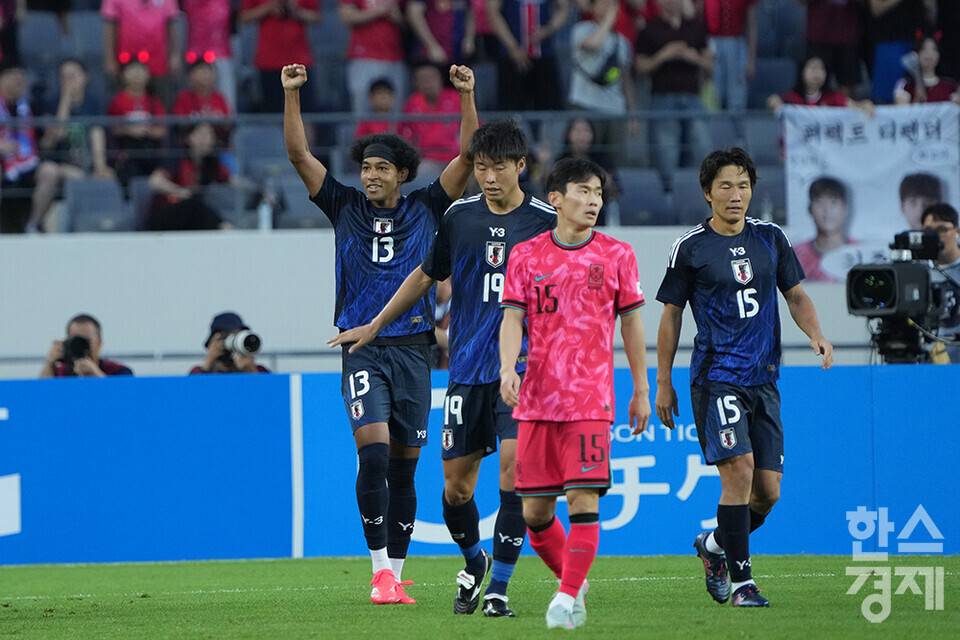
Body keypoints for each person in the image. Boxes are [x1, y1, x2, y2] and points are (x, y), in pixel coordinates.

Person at [328, 119, 556, 617]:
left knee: (513, 479)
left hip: (522, 372)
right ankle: (474, 561)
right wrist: (374, 324)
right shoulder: (458, 217)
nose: (488, 177)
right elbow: (424, 276)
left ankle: (497, 588)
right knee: (456, 491)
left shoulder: (546, 220)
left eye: (498, 168)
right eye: (481, 168)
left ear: (520, 166)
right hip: (466, 370)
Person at [284, 61, 478, 604]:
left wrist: (466, 96)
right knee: (371, 456)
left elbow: (467, 157)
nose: (369, 175)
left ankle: (395, 570)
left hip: (416, 353)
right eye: (365, 166)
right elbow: (300, 155)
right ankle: (378, 573)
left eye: (380, 168)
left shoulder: (427, 208)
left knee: (404, 470)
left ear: (401, 174)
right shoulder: (342, 205)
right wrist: (292, 95)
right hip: (361, 349)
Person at [655, 147, 833, 608]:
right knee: (739, 472)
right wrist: (662, 381)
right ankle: (742, 585)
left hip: (764, 379)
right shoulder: (690, 247)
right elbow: (671, 316)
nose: (736, 194)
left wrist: (816, 334)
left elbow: (795, 296)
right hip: (717, 379)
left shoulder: (771, 238)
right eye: (726, 185)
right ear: (707, 192)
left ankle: (713, 546)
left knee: (768, 491)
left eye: (744, 185)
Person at [498, 157, 650, 629]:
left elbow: (632, 324)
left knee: (583, 499)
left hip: (589, 399)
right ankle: (574, 581)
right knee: (535, 511)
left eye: (599, 193)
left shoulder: (617, 254)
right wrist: (507, 367)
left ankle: (564, 598)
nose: (594, 201)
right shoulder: (525, 254)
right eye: (584, 191)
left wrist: (642, 388)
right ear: (557, 199)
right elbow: (512, 318)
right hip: (537, 401)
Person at [634, 0, 713, 192]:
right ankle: (667, 197)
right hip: (663, 99)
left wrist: (692, 57)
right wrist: (664, 55)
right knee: (665, 153)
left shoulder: (695, 27)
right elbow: (640, 67)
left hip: (692, 98)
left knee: (701, 147)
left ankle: (700, 194)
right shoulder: (650, 29)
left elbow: (709, 63)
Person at [568, 0, 637, 158]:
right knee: (585, 162)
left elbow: (626, 81)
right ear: (593, 7)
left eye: (612, 4)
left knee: (612, 163)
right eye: (603, 3)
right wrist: (609, 19)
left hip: (614, 109)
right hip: (586, 105)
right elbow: (593, 44)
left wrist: (633, 116)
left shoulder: (622, 42)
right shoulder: (581, 30)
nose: (608, 7)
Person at [145, 122, 234, 231]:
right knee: (194, 204)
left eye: (209, 135)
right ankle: (223, 227)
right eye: (201, 135)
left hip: (192, 216)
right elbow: (155, 181)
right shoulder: (177, 158)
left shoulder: (211, 163)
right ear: (189, 137)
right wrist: (180, 191)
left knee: (207, 203)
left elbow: (230, 179)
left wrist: (253, 189)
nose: (205, 139)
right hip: (167, 212)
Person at [487, 0, 570, 112]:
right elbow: (493, 12)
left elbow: (564, 8)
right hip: (510, 57)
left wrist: (548, 29)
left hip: (543, 54)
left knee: (549, 109)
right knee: (511, 112)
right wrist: (512, 47)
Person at [241, 0, 322, 113]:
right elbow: (244, 17)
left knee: (305, 113)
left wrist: (296, 12)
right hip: (268, 61)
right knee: (272, 114)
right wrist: (268, 8)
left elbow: (316, 17)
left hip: (299, 60)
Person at [101, 0, 182, 107]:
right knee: (122, 105)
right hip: (127, 63)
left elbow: (171, 26)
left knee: (161, 105)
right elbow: (110, 28)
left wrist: (175, 56)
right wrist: (109, 60)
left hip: (158, 62)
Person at [338, 0, 407, 114]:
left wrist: (398, 18)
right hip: (364, 56)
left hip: (395, 56)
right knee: (363, 109)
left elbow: (409, 19)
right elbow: (346, 17)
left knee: (396, 110)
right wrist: (380, 11)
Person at [106, 60, 168, 187]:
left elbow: (162, 130)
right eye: (133, 70)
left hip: (150, 150)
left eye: (141, 70)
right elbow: (112, 130)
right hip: (127, 152)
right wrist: (129, 130)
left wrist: (147, 131)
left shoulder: (153, 100)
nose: (137, 74)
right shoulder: (117, 101)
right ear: (123, 75)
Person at [399, 64, 463, 176]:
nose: (428, 83)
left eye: (431, 78)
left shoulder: (457, 98)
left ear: (441, 79)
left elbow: (473, 127)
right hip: (427, 160)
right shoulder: (412, 103)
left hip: (457, 158)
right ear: (416, 83)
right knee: (419, 173)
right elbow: (405, 136)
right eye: (422, 79)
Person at [794, 177, 857, 283]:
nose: (827, 210)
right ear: (810, 209)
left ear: (845, 209)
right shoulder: (795, 256)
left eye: (833, 202)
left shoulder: (859, 252)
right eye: (820, 203)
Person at [766, 54, 874, 114]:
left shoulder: (833, 98)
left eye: (821, 69)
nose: (817, 73)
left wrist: (864, 105)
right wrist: (773, 102)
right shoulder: (791, 99)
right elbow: (773, 102)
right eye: (813, 68)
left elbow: (854, 106)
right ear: (802, 72)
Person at [800, 0, 864, 98]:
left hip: (848, 36)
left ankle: (845, 112)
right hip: (818, 36)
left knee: (847, 87)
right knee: (814, 86)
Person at [921, 203, 960, 363]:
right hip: (928, 365)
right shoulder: (917, 272)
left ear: (957, 231)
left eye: (942, 230)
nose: (937, 237)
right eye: (930, 231)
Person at [703, 0, 757, 113]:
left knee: (737, 97)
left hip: (736, 44)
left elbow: (751, 26)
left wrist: (751, 59)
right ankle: (714, 128)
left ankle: (736, 128)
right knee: (714, 97)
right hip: (712, 45)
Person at [40, 314, 133, 378]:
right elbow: (39, 395)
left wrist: (96, 374)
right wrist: (49, 364)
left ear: (99, 343)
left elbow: (124, 398)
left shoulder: (118, 371)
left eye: (86, 341)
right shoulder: (60, 373)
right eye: (75, 341)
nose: (81, 346)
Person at [190, 312, 270, 373]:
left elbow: (271, 391)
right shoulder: (198, 371)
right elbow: (191, 390)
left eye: (237, 335)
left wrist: (251, 371)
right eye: (225, 335)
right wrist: (207, 365)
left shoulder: (260, 371)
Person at [893, 33, 960, 105]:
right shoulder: (906, 85)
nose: (929, 53)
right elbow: (902, 112)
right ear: (917, 54)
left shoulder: (950, 86)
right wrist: (917, 99)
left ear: (938, 55)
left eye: (933, 49)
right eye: (924, 49)